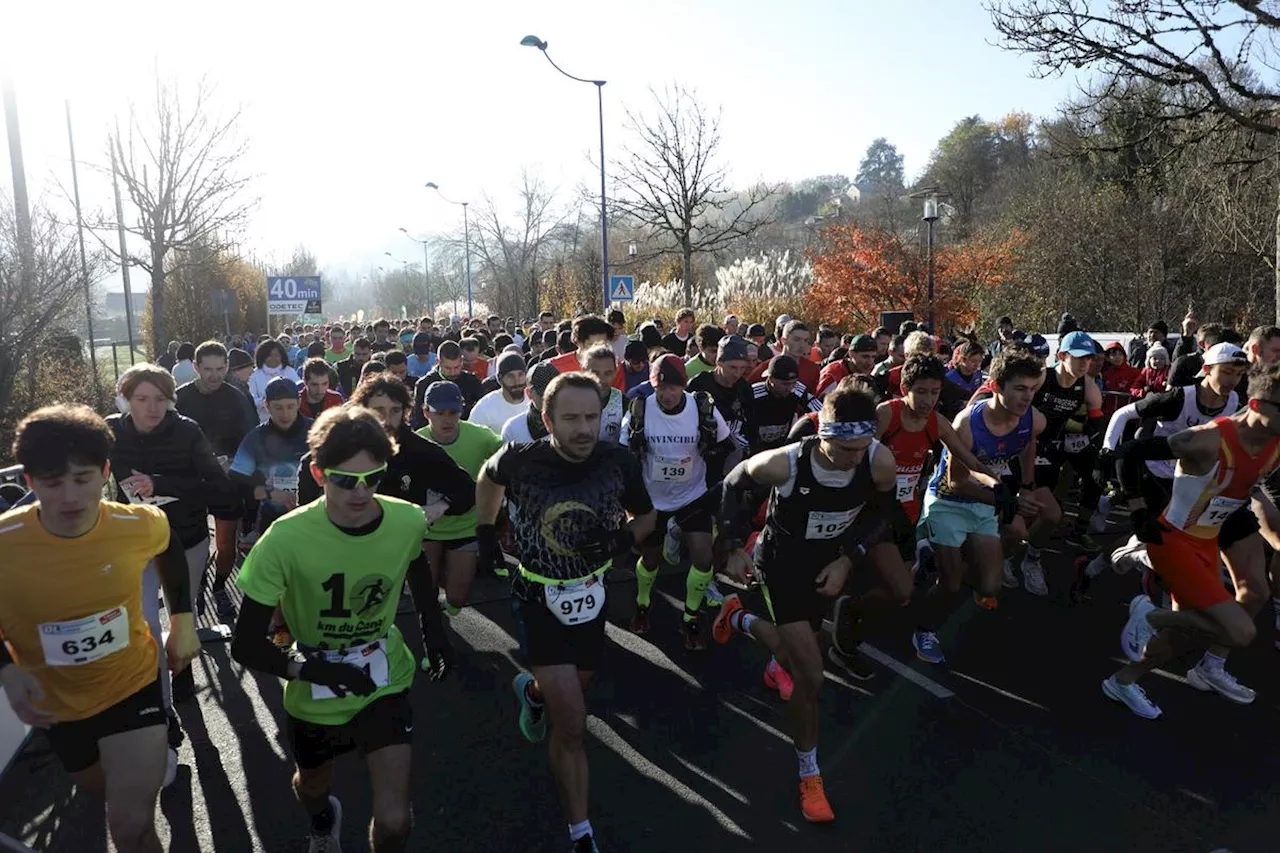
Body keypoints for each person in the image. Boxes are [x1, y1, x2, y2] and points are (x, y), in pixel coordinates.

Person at [0, 404, 201, 853]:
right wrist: (7, 670)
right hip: (60, 709)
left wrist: (182, 622)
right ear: (29, 482)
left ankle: (155, 750)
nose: (70, 497)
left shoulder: (137, 524)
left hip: (132, 687)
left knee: (129, 827)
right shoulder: (5, 543)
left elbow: (167, 546)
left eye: (84, 479)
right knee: (110, 798)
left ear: (106, 472)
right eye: (52, 484)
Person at [231, 407, 430, 851]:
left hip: (385, 677)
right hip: (314, 686)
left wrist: (433, 630)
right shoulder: (283, 539)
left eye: (372, 478)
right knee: (313, 787)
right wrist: (311, 670)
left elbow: (414, 564)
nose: (360, 492)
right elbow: (245, 645)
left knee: (395, 821)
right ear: (319, 474)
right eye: (344, 480)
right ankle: (323, 819)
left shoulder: (408, 520)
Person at [476, 373, 656, 853]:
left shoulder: (618, 461)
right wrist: (486, 531)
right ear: (547, 419)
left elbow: (649, 515)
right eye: (571, 419)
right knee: (573, 722)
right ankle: (581, 833)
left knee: (579, 684)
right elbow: (487, 479)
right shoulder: (521, 460)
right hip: (536, 594)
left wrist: (621, 540)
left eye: (592, 417)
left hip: (591, 593)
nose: (583, 429)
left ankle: (532, 692)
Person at [714, 381, 900, 823]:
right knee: (811, 677)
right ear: (824, 434)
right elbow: (731, 484)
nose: (856, 458)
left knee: (790, 652)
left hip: (825, 565)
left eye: (862, 447)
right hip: (780, 569)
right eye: (846, 449)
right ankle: (810, 775)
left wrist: (847, 560)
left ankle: (737, 618)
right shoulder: (786, 463)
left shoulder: (878, 459)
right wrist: (735, 544)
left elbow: (882, 513)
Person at [1104, 362, 1280, 720]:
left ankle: (1124, 680)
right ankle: (1151, 613)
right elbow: (1129, 454)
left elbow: (1257, 488)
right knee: (1241, 631)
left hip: (1212, 536)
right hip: (1175, 540)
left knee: (1197, 626)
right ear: (1259, 407)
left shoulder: (1273, 443)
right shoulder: (1206, 439)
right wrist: (1138, 511)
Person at [296, 374, 476, 679]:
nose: (388, 420)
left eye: (396, 411)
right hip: (342, 550)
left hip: (400, 545)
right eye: (379, 411)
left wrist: (438, 507)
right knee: (342, 627)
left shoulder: (419, 450)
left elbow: (466, 488)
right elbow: (307, 491)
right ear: (362, 409)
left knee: (424, 599)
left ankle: (433, 648)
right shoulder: (340, 446)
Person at [107, 363, 236, 732]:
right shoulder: (111, 431)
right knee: (145, 623)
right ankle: (162, 709)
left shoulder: (187, 431)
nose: (151, 407)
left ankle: (182, 670)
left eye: (160, 399)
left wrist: (159, 483)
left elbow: (215, 485)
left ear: (171, 400)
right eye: (142, 399)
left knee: (184, 616)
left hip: (185, 538)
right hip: (134, 542)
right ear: (125, 399)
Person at [915, 349, 1050, 663]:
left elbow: (1028, 443)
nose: (1027, 396)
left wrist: (1027, 486)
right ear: (996, 386)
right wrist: (1007, 500)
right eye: (1019, 388)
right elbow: (958, 481)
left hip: (987, 498)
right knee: (950, 585)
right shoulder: (969, 423)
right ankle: (923, 629)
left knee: (989, 586)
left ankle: (940, 558)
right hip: (949, 500)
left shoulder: (1034, 419)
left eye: (1033, 389)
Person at [621, 354, 732, 649]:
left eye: (674, 388)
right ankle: (643, 605)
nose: (667, 394)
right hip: (653, 499)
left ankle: (691, 618)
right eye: (661, 388)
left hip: (692, 495)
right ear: (653, 385)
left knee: (703, 558)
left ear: (683, 385)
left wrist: (723, 487)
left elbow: (727, 445)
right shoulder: (640, 410)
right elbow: (622, 456)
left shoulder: (702, 408)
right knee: (651, 559)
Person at [174, 341, 258, 619]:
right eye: (207, 369)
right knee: (194, 546)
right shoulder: (179, 398)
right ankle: (197, 587)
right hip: (190, 484)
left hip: (226, 481)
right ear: (195, 367)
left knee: (225, 546)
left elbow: (252, 442)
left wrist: (233, 463)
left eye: (220, 369)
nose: (214, 375)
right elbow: (167, 441)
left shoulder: (237, 398)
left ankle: (220, 588)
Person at [417, 382, 505, 609]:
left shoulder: (481, 437)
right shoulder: (416, 443)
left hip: (466, 525)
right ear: (426, 412)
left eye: (453, 412)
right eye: (440, 413)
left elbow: (509, 456)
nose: (447, 419)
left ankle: (450, 591)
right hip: (428, 528)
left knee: (457, 598)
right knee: (425, 594)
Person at [229, 377, 313, 540]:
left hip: (312, 520)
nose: (285, 414)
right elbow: (237, 483)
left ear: (299, 402)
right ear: (266, 405)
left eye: (290, 406)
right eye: (278, 407)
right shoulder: (255, 439)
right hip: (270, 523)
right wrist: (269, 493)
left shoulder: (317, 432)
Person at [688, 335, 756, 465]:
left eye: (742, 368)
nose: (737, 374)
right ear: (718, 363)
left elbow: (752, 425)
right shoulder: (699, 385)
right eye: (732, 367)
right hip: (701, 455)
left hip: (735, 453)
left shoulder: (744, 388)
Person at [748, 354, 822, 451]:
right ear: (770, 379)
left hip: (783, 447)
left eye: (794, 383)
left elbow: (820, 411)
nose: (790, 388)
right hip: (754, 448)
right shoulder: (753, 395)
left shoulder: (797, 390)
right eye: (785, 384)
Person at [410, 341, 484, 429]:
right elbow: (418, 419)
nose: (452, 372)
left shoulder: (472, 381)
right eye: (448, 368)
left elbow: (482, 411)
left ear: (462, 361)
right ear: (438, 362)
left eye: (457, 367)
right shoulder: (424, 384)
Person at [550, 315, 626, 392]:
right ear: (577, 342)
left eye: (603, 345)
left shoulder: (615, 366)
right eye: (592, 345)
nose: (598, 349)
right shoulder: (555, 366)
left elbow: (617, 398)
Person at [748, 319, 820, 391]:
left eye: (806, 340)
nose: (802, 345)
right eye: (796, 339)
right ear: (783, 340)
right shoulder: (766, 368)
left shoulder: (813, 369)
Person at [501, 360, 562, 444]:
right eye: (544, 396)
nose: (552, 400)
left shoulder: (579, 420)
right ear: (529, 393)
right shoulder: (513, 429)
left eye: (557, 394)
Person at [469, 352, 529, 435]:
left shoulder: (535, 400)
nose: (517, 381)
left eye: (520, 374)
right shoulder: (484, 408)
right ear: (500, 379)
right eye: (510, 376)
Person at [578, 345, 626, 443]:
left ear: (615, 372)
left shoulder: (623, 402)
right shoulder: (571, 401)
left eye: (607, 373)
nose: (601, 380)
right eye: (595, 373)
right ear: (583, 370)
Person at [249, 339, 301, 423]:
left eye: (277, 355)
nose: (274, 358)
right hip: (264, 421)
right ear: (262, 356)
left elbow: (299, 392)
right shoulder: (254, 375)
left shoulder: (289, 371)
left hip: (290, 420)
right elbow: (251, 399)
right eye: (270, 355)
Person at [815, 334, 880, 398]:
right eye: (865, 356)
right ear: (851, 354)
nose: (870, 362)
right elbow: (817, 404)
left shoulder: (868, 374)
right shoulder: (832, 375)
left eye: (873, 357)